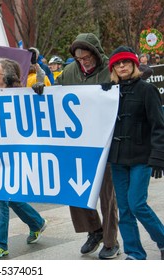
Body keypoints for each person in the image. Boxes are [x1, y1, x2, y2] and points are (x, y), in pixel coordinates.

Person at [33, 33, 120, 259]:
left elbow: (127, 86)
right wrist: (42, 87)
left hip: (105, 142)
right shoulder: (70, 72)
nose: (83, 62)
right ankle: (94, 230)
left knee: (107, 195)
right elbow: (55, 95)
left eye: (87, 57)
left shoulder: (110, 69)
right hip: (78, 144)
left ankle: (111, 241)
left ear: (96, 53)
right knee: (75, 189)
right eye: (79, 58)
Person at [0, 57, 48, 259]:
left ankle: (0, 244)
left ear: (8, 76)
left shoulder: (22, 95)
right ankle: (36, 222)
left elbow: (42, 100)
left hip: (15, 155)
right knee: (8, 196)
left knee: (0, 197)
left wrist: (39, 82)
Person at [107, 46, 164, 260]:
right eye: (118, 63)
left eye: (126, 62)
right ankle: (134, 253)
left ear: (134, 65)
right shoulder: (109, 92)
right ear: (113, 68)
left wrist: (159, 156)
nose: (122, 66)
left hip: (142, 157)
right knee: (124, 209)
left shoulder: (147, 90)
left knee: (137, 203)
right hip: (118, 159)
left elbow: (159, 126)